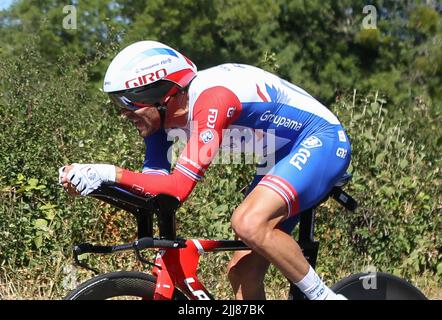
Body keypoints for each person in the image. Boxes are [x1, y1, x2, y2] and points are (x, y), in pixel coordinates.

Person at [59, 40, 351, 300]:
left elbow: (178, 188)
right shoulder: (159, 121)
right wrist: (95, 184)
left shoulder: (213, 99)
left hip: (319, 140)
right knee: (243, 273)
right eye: (116, 102)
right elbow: (156, 188)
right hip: (278, 155)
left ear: (160, 94)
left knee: (248, 222)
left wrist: (110, 172)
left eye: (126, 101)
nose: (122, 113)